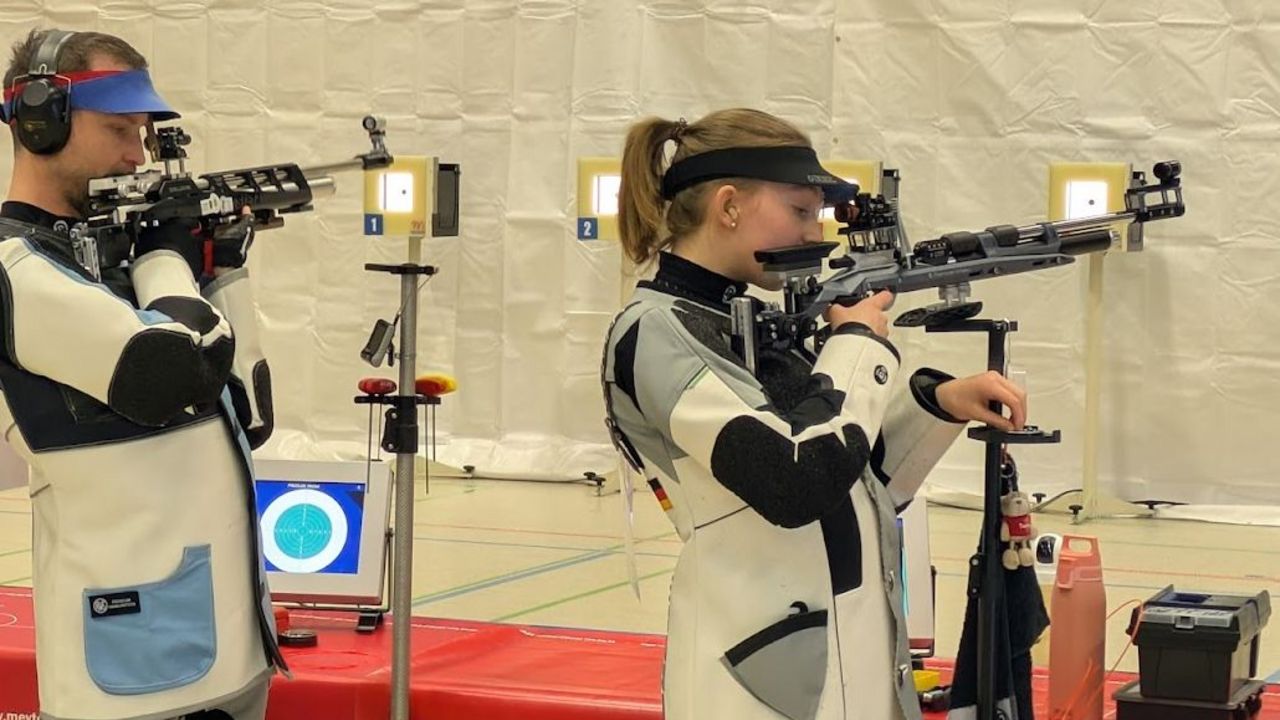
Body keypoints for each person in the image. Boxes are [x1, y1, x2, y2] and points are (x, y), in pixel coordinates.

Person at [601, 108, 1028, 720]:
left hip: (843, 657)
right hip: (759, 680)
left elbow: (854, 479)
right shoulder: (656, 335)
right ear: (728, 206)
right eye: (800, 211)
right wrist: (858, 347)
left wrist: (937, 403)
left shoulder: (745, 321)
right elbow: (795, 478)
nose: (814, 233)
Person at [0, 29, 283, 720]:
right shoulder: (17, 270)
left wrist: (223, 269)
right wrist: (167, 258)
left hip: (232, 641)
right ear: (41, 122)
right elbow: (169, 374)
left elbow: (251, 412)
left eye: (145, 135)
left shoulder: (122, 259)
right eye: (119, 128)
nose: (136, 153)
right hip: (132, 664)